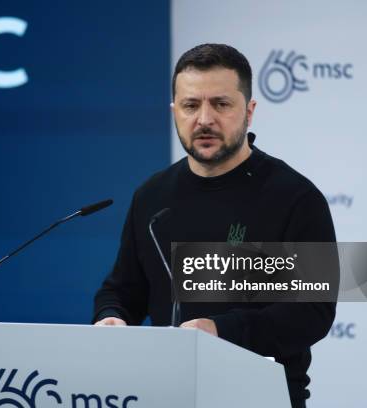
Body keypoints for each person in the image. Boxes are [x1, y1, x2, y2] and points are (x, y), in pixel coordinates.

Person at [92, 44, 336, 408]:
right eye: (191, 105)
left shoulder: (295, 197)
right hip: (166, 395)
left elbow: (311, 311)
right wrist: (112, 317)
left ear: (249, 112)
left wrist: (220, 331)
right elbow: (124, 289)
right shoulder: (152, 197)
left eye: (221, 104)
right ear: (175, 112)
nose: (204, 119)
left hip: (260, 397)